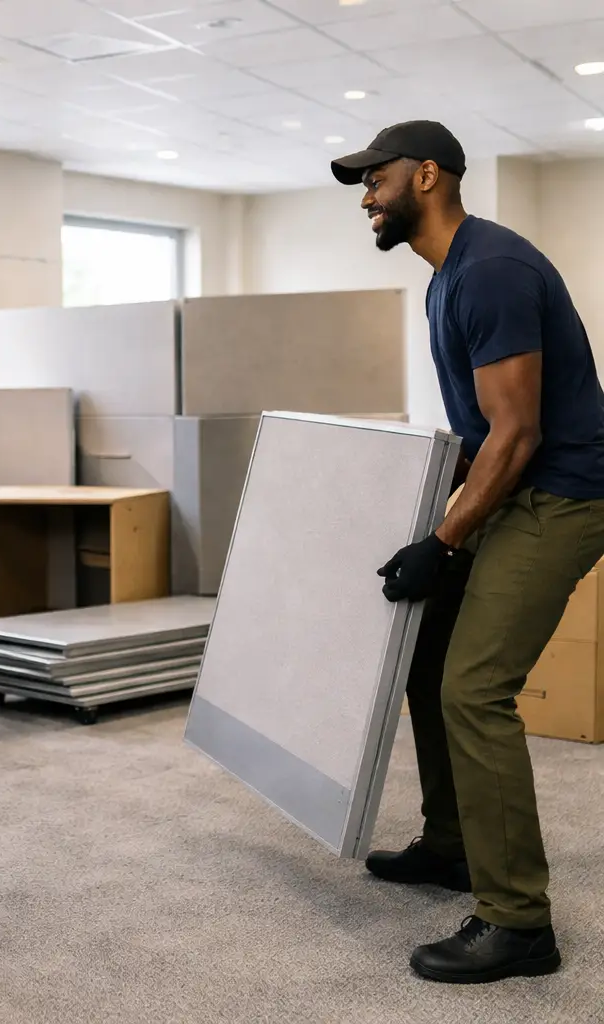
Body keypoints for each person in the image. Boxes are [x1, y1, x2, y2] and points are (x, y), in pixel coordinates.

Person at [331, 120, 604, 985]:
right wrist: (412, 511)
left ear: (429, 175)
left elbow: (518, 433)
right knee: (428, 650)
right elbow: (480, 429)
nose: (366, 196)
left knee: (474, 686)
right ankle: (453, 845)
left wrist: (444, 539)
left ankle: (519, 920)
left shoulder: (489, 270)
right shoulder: (446, 278)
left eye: (375, 179)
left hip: (564, 493)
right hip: (517, 478)